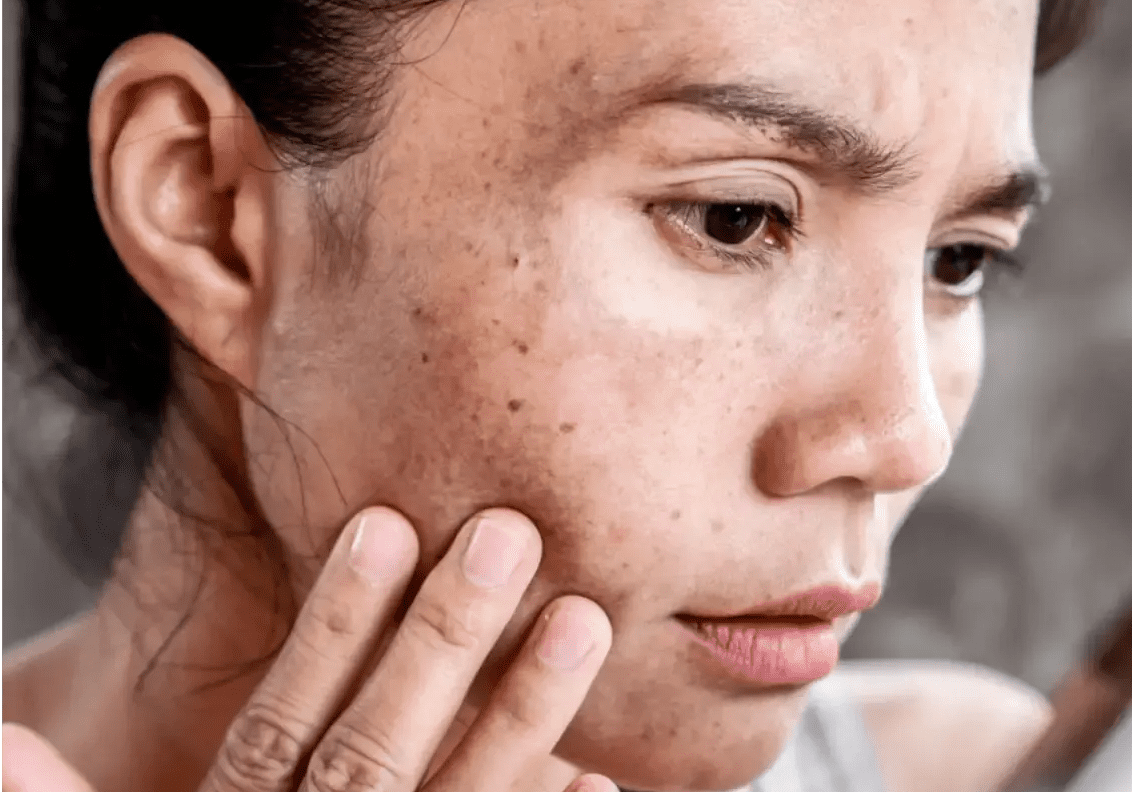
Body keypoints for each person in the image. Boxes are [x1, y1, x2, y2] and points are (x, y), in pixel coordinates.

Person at [0, 0, 1100, 790]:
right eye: (733, 218)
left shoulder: (991, 772)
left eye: (960, 259)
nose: (906, 440)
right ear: (205, 209)